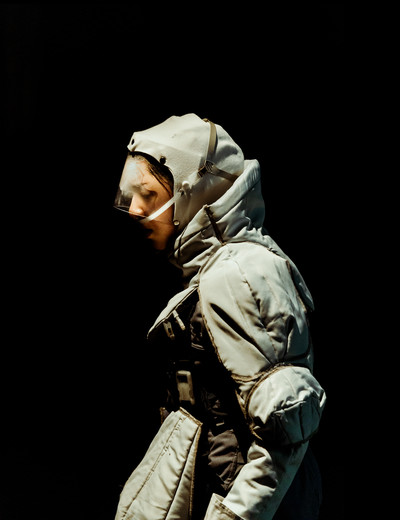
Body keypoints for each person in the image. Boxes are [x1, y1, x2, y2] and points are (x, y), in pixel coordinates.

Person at [113, 113, 326, 520]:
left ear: (194, 192)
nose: (135, 210)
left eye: (149, 195)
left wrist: (234, 514)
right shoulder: (214, 269)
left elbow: (286, 424)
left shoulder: (240, 272)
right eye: (130, 195)